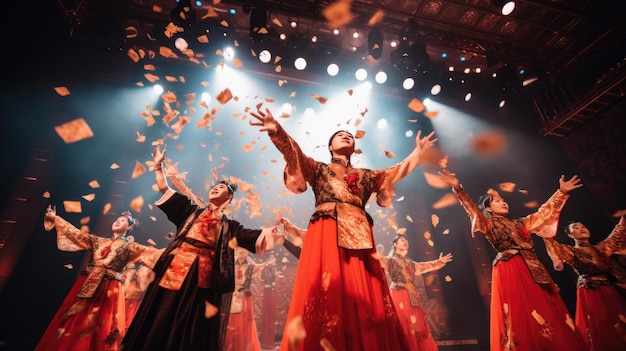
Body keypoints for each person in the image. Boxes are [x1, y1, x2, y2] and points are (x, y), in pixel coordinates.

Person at [251, 107, 437, 351]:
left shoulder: (365, 175)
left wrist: (417, 155)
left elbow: (393, 173)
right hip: (327, 228)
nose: (346, 136)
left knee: (364, 292)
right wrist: (278, 131)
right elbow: (294, 152)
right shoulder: (319, 169)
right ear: (329, 147)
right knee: (329, 286)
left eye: (350, 135)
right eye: (339, 135)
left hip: (360, 233)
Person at [121, 144, 276, 351]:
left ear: (229, 198)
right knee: (164, 308)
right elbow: (165, 190)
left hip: (202, 273)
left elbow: (251, 236)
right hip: (176, 264)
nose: (216, 188)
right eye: (215, 186)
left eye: (222, 188)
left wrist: (271, 232)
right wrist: (159, 168)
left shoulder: (230, 225)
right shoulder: (191, 211)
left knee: (192, 316)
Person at [437, 169, 588, 351]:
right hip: (512, 268)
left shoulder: (521, 223)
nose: (503, 202)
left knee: (546, 308)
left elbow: (543, 214)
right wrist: (458, 188)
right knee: (521, 311)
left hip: (534, 267)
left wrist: (561, 192)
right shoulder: (488, 222)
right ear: (488, 208)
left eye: (503, 200)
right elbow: (471, 208)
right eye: (497, 201)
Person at [35, 207, 163, 351]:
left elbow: (151, 253)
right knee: (76, 318)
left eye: (122, 221)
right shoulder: (98, 241)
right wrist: (55, 218)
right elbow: (77, 234)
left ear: (129, 227)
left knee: (100, 322)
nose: (117, 222)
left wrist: (178, 250)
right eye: (117, 219)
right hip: (86, 284)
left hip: (108, 288)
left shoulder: (130, 247)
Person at [543, 217, 626, 351]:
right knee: (601, 329)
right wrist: (545, 232)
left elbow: (616, 235)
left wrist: (623, 219)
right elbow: (553, 245)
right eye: (576, 227)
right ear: (570, 235)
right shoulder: (571, 251)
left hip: (609, 290)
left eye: (583, 226)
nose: (581, 228)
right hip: (591, 292)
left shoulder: (601, 248)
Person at [380, 235, 453, 351]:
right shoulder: (391, 260)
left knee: (418, 328)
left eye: (406, 240)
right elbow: (377, 261)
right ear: (395, 244)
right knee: (403, 326)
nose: (405, 241)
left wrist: (439, 262)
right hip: (398, 295)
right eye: (402, 240)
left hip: (413, 298)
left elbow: (426, 266)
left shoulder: (411, 264)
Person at [223, 247, 275, 351]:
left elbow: (261, 269)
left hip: (245, 298)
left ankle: (242, 347)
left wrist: (269, 263)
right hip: (232, 296)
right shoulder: (230, 264)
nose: (241, 252)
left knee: (245, 324)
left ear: (248, 252)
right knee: (231, 322)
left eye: (244, 250)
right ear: (236, 250)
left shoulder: (251, 266)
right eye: (239, 250)